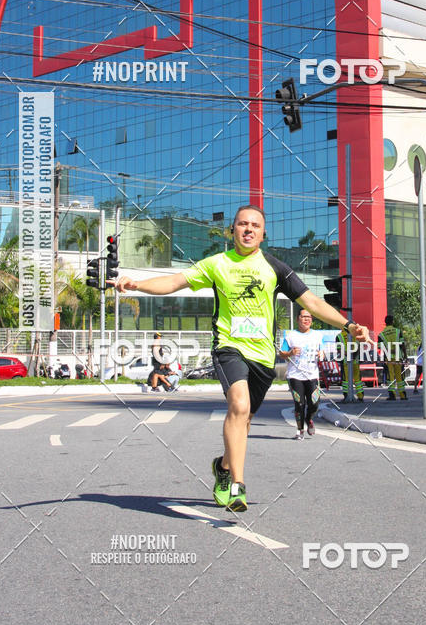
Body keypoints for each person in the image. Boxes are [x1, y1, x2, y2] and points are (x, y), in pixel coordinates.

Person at [113, 204, 369, 512]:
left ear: (262, 234)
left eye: (254, 226)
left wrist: (349, 325)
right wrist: (137, 284)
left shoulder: (275, 268)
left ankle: (222, 467)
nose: (248, 229)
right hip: (229, 347)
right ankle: (237, 485)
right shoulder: (217, 264)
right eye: (242, 224)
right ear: (232, 230)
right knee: (239, 405)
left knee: (244, 420)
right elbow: (174, 282)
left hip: (262, 357)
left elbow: (311, 301)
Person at [279, 309, 324, 439]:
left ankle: (309, 419)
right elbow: (282, 353)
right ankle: (300, 431)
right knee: (299, 403)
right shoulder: (291, 336)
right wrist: (290, 353)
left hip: (312, 375)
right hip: (295, 375)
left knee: (314, 403)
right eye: (304, 317)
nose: (306, 319)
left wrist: (322, 354)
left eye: (309, 317)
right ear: (298, 319)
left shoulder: (317, 336)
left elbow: (322, 351)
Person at [378, 314, 408, 400]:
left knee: (390, 377)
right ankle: (403, 395)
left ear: (385, 323)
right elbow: (402, 345)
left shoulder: (381, 334)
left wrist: (389, 350)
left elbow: (380, 347)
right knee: (400, 377)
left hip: (388, 359)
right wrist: (405, 356)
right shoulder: (398, 331)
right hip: (399, 358)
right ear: (392, 322)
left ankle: (392, 395)